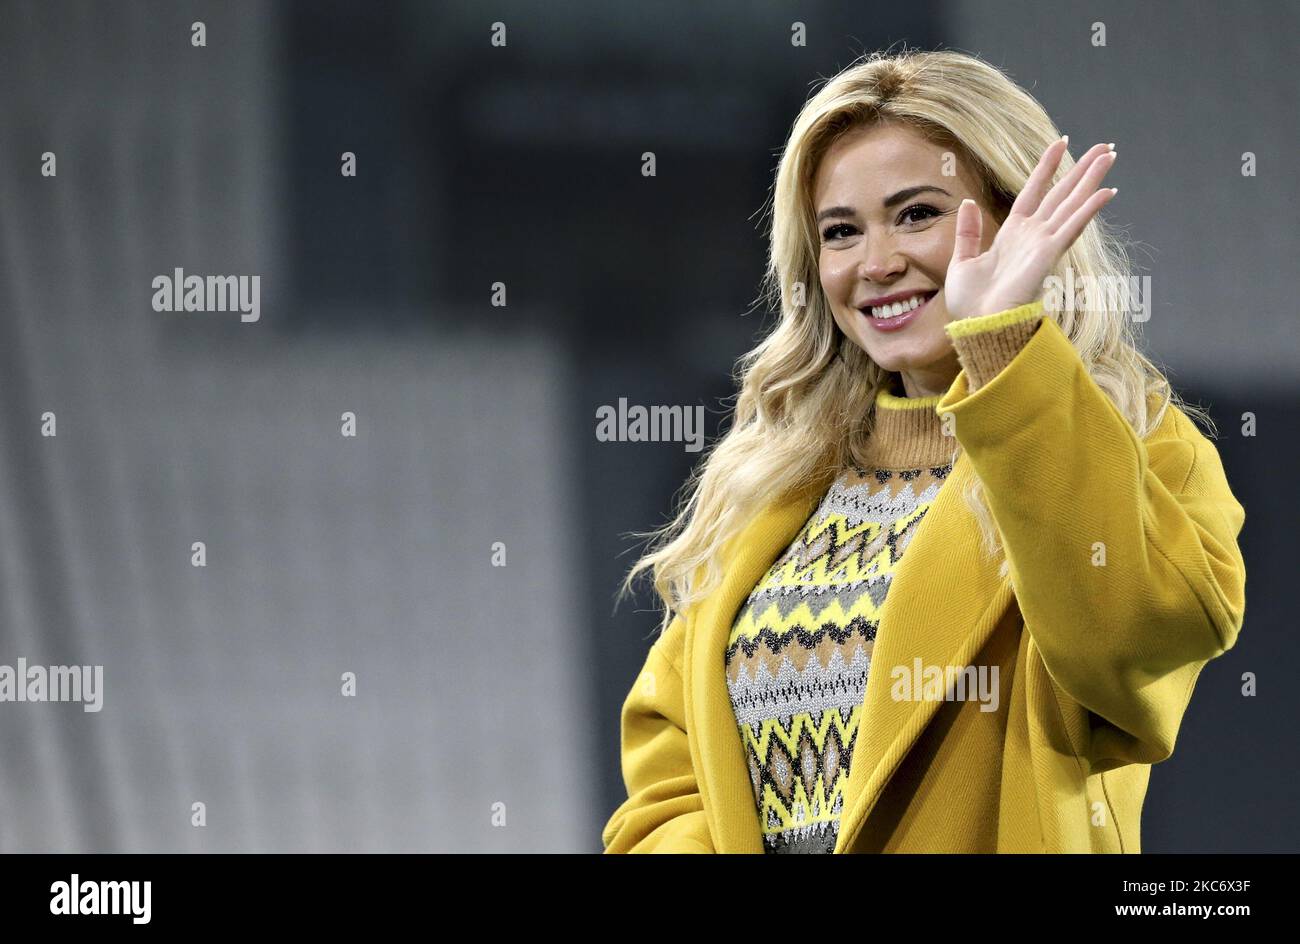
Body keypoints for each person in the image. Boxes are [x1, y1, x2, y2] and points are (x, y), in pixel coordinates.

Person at [602, 48, 1246, 853]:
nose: (876, 264)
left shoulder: (1137, 443)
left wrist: (1004, 348)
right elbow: (671, 782)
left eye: (917, 214)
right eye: (841, 232)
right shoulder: (764, 485)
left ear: (1020, 221)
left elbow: (1128, 659)